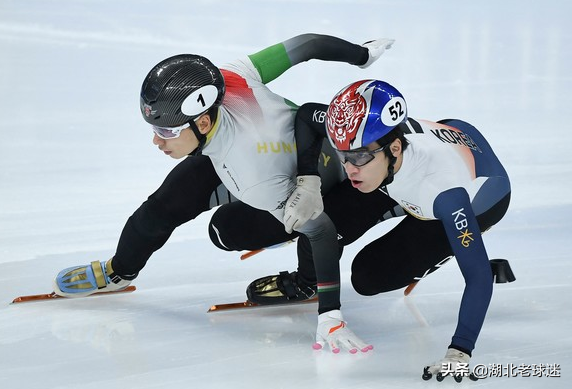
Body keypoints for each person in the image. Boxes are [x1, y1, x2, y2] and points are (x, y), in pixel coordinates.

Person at [52, 34, 397, 353]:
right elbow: (306, 45)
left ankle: (305, 278)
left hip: (306, 182)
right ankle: (119, 270)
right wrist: (361, 55)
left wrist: (329, 314)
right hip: (263, 153)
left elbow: (320, 231)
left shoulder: (256, 179)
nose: (156, 141)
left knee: (231, 230)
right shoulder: (230, 77)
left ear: (201, 122)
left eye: (165, 130)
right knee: (166, 206)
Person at [284, 79, 511, 380]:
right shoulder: (366, 138)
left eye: (360, 155)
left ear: (393, 148)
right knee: (325, 221)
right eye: (343, 155)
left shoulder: (446, 194)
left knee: (367, 277)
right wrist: (307, 179)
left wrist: (460, 350)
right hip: (437, 141)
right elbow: (307, 115)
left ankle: (448, 251)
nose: (350, 168)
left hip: (483, 194)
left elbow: (479, 277)